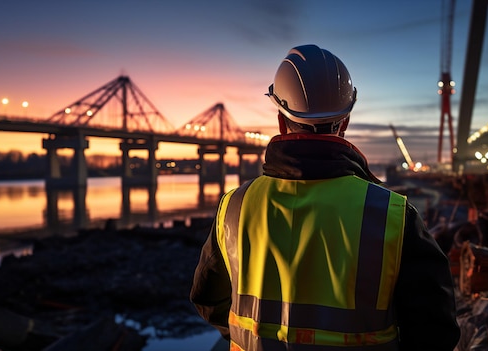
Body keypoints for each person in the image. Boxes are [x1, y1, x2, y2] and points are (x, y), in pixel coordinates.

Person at [190, 44, 460, 351]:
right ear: (344, 122)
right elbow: (436, 331)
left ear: (281, 119)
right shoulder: (392, 215)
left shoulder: (235, 207)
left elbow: (209, 301)